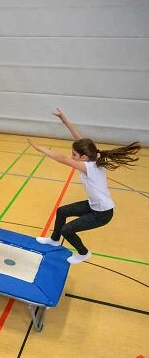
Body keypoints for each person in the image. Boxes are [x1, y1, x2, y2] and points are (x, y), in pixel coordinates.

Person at [28, 109, 141, 264]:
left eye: (74, 154)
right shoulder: (93, 156)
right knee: (62, 211)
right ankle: (54, 240)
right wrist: (65, 120)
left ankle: (83, 253)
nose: (72, 156)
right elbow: (81, 139)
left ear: (83, 157)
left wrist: (40, 148)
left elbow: (62, 159)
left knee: (67, 230)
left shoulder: (88, 167)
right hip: (94, 205)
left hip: (102, 213)